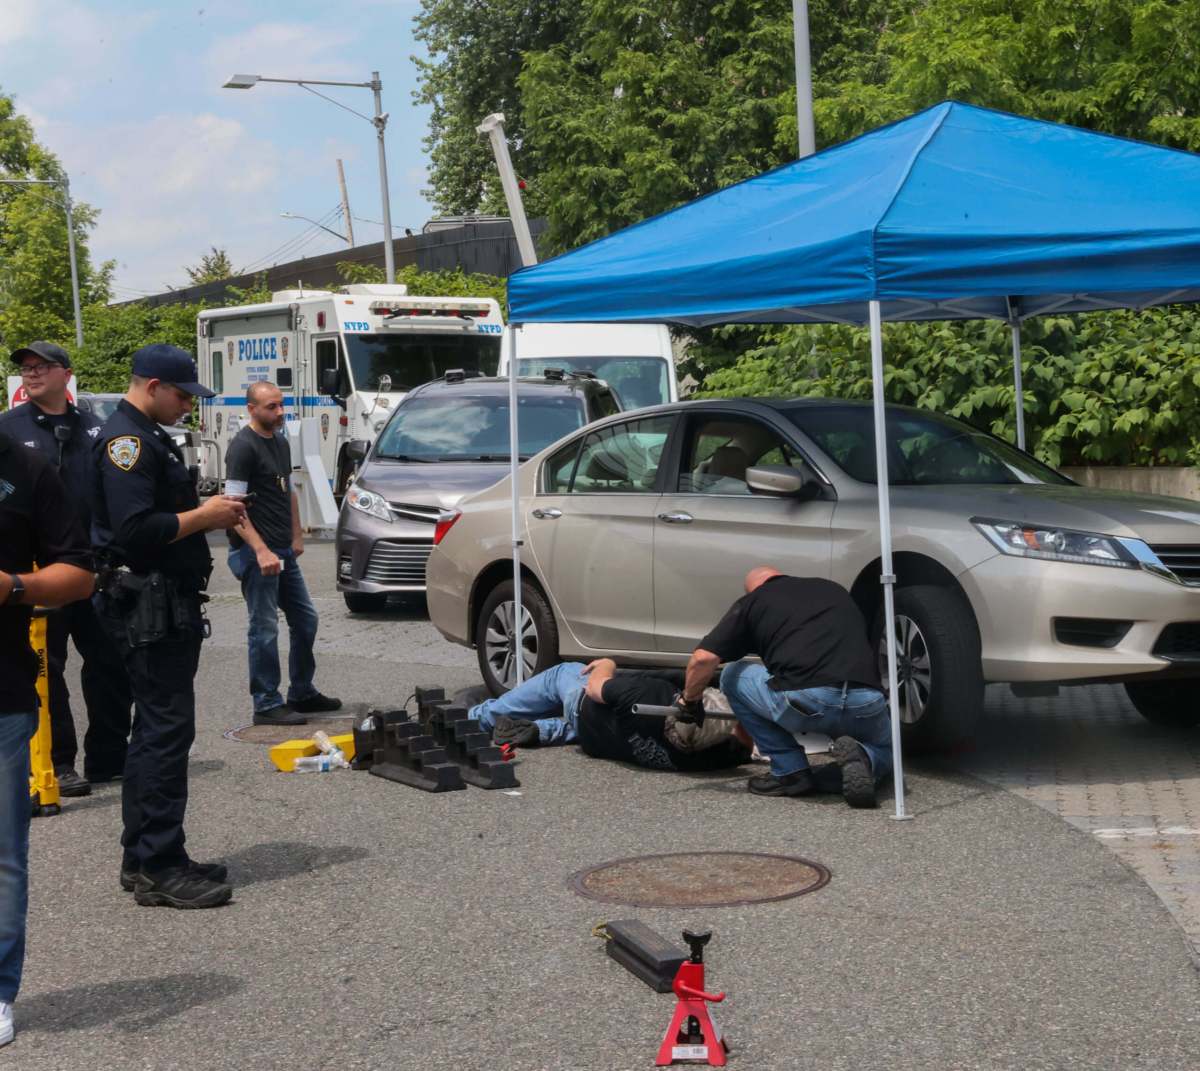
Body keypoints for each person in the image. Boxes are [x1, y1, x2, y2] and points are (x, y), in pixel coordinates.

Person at [92, 344, 247, 909]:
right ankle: (158, 864)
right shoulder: (126, 442)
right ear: (152, 385)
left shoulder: (147, 436)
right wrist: (203, 518)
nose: (187, 406)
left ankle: (149, 855)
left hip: (162, 603)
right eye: (182, 395)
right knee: (164, 732)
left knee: (155, 732)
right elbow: (133, 529)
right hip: (148, 606)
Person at [0, 341, 131, 797]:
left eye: (41, 366)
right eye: (26, 368)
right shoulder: (9, 430)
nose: (31, 374)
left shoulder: (94, 428)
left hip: (94, 566)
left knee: (109, 662)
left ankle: (109, 756)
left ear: (66, 374)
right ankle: (59, 763)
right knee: (46, 668)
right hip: (42, 572)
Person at [0, 430, 95, 1048]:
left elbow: (79, 575)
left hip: (1, 694)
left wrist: (12, 587)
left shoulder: (27, 468)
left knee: (2, 855)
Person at [678, 566, 891, 807]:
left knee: (732, 674)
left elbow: (704, 659)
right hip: (866, 700)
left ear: (754, 588)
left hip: (807, 700)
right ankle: (865, 757)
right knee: (884, 747)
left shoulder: (754, 601)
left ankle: (790, 771)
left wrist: (690, 700)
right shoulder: (834, 590)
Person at [224, 382, 340, 725]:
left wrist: (296, 535)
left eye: (281, 405)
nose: (279, 413)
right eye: (271, 407)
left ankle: (301, 692)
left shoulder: (280, 441)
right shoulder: (242, 448)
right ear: (251, 409)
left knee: (306, 620)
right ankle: (266, 703)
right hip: (255, 553)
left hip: (282, 550)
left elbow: (287, 489)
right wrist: (260, 550)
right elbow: (234, 508)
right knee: (264, 628)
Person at [469, 661, 751, 772]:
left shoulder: (647, 698)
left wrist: (607, 664)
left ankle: (477, 717)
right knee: (609, 723)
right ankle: (543, 730)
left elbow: (595, 688)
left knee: (564, 673)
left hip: (582, 706)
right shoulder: (715, 757)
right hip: (597, 742)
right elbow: (743, 740)